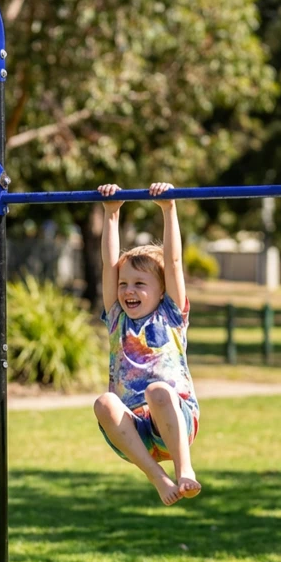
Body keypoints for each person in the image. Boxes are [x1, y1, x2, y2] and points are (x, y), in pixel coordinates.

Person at [93, 181, 201, 506]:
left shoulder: (171, 314)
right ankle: (158, 478)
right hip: (134, 433)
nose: (128, 291)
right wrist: (111, 216)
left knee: (157, 391)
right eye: (124, 284)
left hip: (174, 420)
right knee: (104, 403)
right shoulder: (116, 319)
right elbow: (108, 267)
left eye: (140, 284)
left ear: (162, 289)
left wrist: (169, 209)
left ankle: (185, 470)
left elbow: (175, 262)